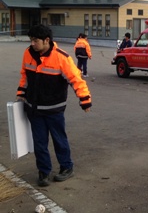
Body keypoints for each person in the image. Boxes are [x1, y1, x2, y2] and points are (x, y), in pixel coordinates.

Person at [16, 24, 92, 187]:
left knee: (59, 140)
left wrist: (84, 99)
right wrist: (21, 94)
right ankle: (44, 171)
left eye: (36, 41)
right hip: (34, 109)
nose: (33, 44)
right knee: (39, 143)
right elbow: (25, 75)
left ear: (47, 40)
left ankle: (66, 167)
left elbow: (76, 79)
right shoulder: (28, 53)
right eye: (31, 40)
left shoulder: (61, 57)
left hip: (54, 110)